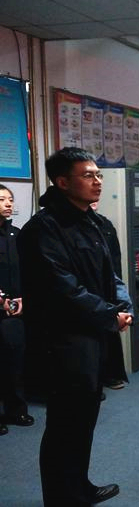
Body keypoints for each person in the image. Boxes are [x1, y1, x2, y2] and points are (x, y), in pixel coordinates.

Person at [18, 147, 133, 506]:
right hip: (63, 341)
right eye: (88, 175)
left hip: (93, 335)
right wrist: (109, 315)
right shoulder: (43, 229)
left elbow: (109, 274)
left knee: (84, 421)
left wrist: (121, 306)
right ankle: (61, 497)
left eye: (98, 174)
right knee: (64, 425)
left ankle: (79, 487)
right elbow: (63, 288)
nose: (97, 181)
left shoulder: (93, 222)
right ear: (63, 182)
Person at [0, 184, 33, 437]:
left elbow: (28, 272)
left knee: (15, 361)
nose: (8, 203)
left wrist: (24, 298)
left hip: (15, 309)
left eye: (10, 199)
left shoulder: (17, 234)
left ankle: (16, 410)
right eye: (2, 199)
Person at [90, 201, 128, 392]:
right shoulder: (63, 226)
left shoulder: (105, 224)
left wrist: (117, 291)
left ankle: (110, 375)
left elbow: (115, 260)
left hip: (107, 288)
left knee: (109, 336)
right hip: (86, 291)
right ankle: (95, 381)